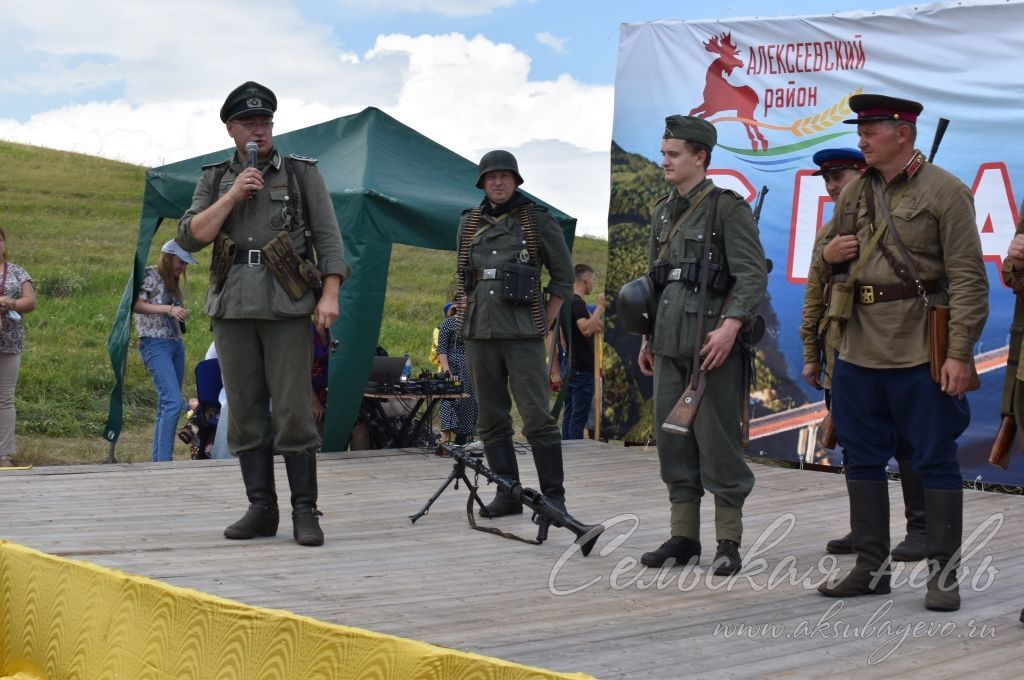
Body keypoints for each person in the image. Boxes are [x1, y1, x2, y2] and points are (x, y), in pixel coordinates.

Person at [815, 94, 988, 612]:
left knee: (934, 461)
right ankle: (870, 570)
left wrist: (958, 354)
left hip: (920, 347)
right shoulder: (854, 194)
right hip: (857, 347)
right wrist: (827, 255)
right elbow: (832, 266)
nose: (862, 138)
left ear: (903, 133)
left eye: (872, 129)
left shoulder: (946, 192)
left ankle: (944, 576)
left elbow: (968, 281)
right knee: (861, 460)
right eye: (861, 129)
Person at [176, 81, 349, 547]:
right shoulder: (214, 178)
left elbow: (329, 239)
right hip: (232, 305)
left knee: (293, 408)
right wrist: (232, 196)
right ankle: (261, 508)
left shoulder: (299, 173)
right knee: (245, 410)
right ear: (231, 128)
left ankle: (304, 511)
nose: (259, 130)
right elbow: (191, 237)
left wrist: (329, 294)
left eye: (266, 122)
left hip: (287, 303)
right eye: (250, 123)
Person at [635, 115, 767, 576]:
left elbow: (751, 275)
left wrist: (731, 327)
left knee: (717, 445)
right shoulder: (662, 211)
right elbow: (655, 280)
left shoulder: (727, 209)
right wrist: (648, 337)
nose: (665, 160)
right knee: (674, 444)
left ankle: (728, 542)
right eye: (664, 152)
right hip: (669, 344)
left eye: (674, 154)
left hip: (712, 348)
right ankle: (683, 537)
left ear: (700, 158)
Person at [799, 148, 927, 562]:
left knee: (909, 441)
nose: (833, 186)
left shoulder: (898, 218)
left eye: (840, 176)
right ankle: (864, 530)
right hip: (843, 352)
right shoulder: (829, 232)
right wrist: (810, 354)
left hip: (897, 348)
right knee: (856, 446)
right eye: (828, 180)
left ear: (864, 172)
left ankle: (921, 529)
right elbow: (814, 295)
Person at [456, 150, 574, 523]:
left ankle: (554, 499)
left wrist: (546, 322)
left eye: (505, 176)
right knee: (490, 418)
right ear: (482, 183)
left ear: (516, 180)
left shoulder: (537, 221)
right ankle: (507, 494)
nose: (498, 182)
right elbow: (463, 276)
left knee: (537, 416)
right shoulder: (468, 223)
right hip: (479, 330)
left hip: (523, 332)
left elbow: (563, 278)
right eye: (491, 177)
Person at [131, 239, 195, 462]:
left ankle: (159, 460)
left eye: (186, 264)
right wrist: (169, 309)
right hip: (154, 342)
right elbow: (137, 304)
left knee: (166, 403)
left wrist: (178, 312)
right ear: (168, 257)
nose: (183, 267)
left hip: (175, 343)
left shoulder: (173, 281)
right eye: (181, 262)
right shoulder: (150, 274)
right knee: (173, 401)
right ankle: (164, 462)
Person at [0, 226, 37, 468]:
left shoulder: (17, 272)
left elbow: (30, 302)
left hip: (10, 343)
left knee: (5, 399)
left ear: (4, 242)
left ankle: (3, 455)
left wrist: (10, 303)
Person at [561, 263, 605, 440]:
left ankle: (566, 452)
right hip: (582, 368)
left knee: (569, 414)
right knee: (577, 418)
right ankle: (575, 453)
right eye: (592, 280)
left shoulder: (567, 302)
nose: (593, 284)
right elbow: (586, 329)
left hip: (570, 365)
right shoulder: (577, 303)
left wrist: (595, 320)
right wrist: (600, 307)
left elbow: (597, 325)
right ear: (585, 280)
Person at [437, 299, 477, 446]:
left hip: (472, 366)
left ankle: (462, 440)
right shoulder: (448, 323)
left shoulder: (475, 322)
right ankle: (445, 441)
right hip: (454, 366)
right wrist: (447, 371)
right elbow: (442, 350)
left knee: (470, 402)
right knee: (449, 399)